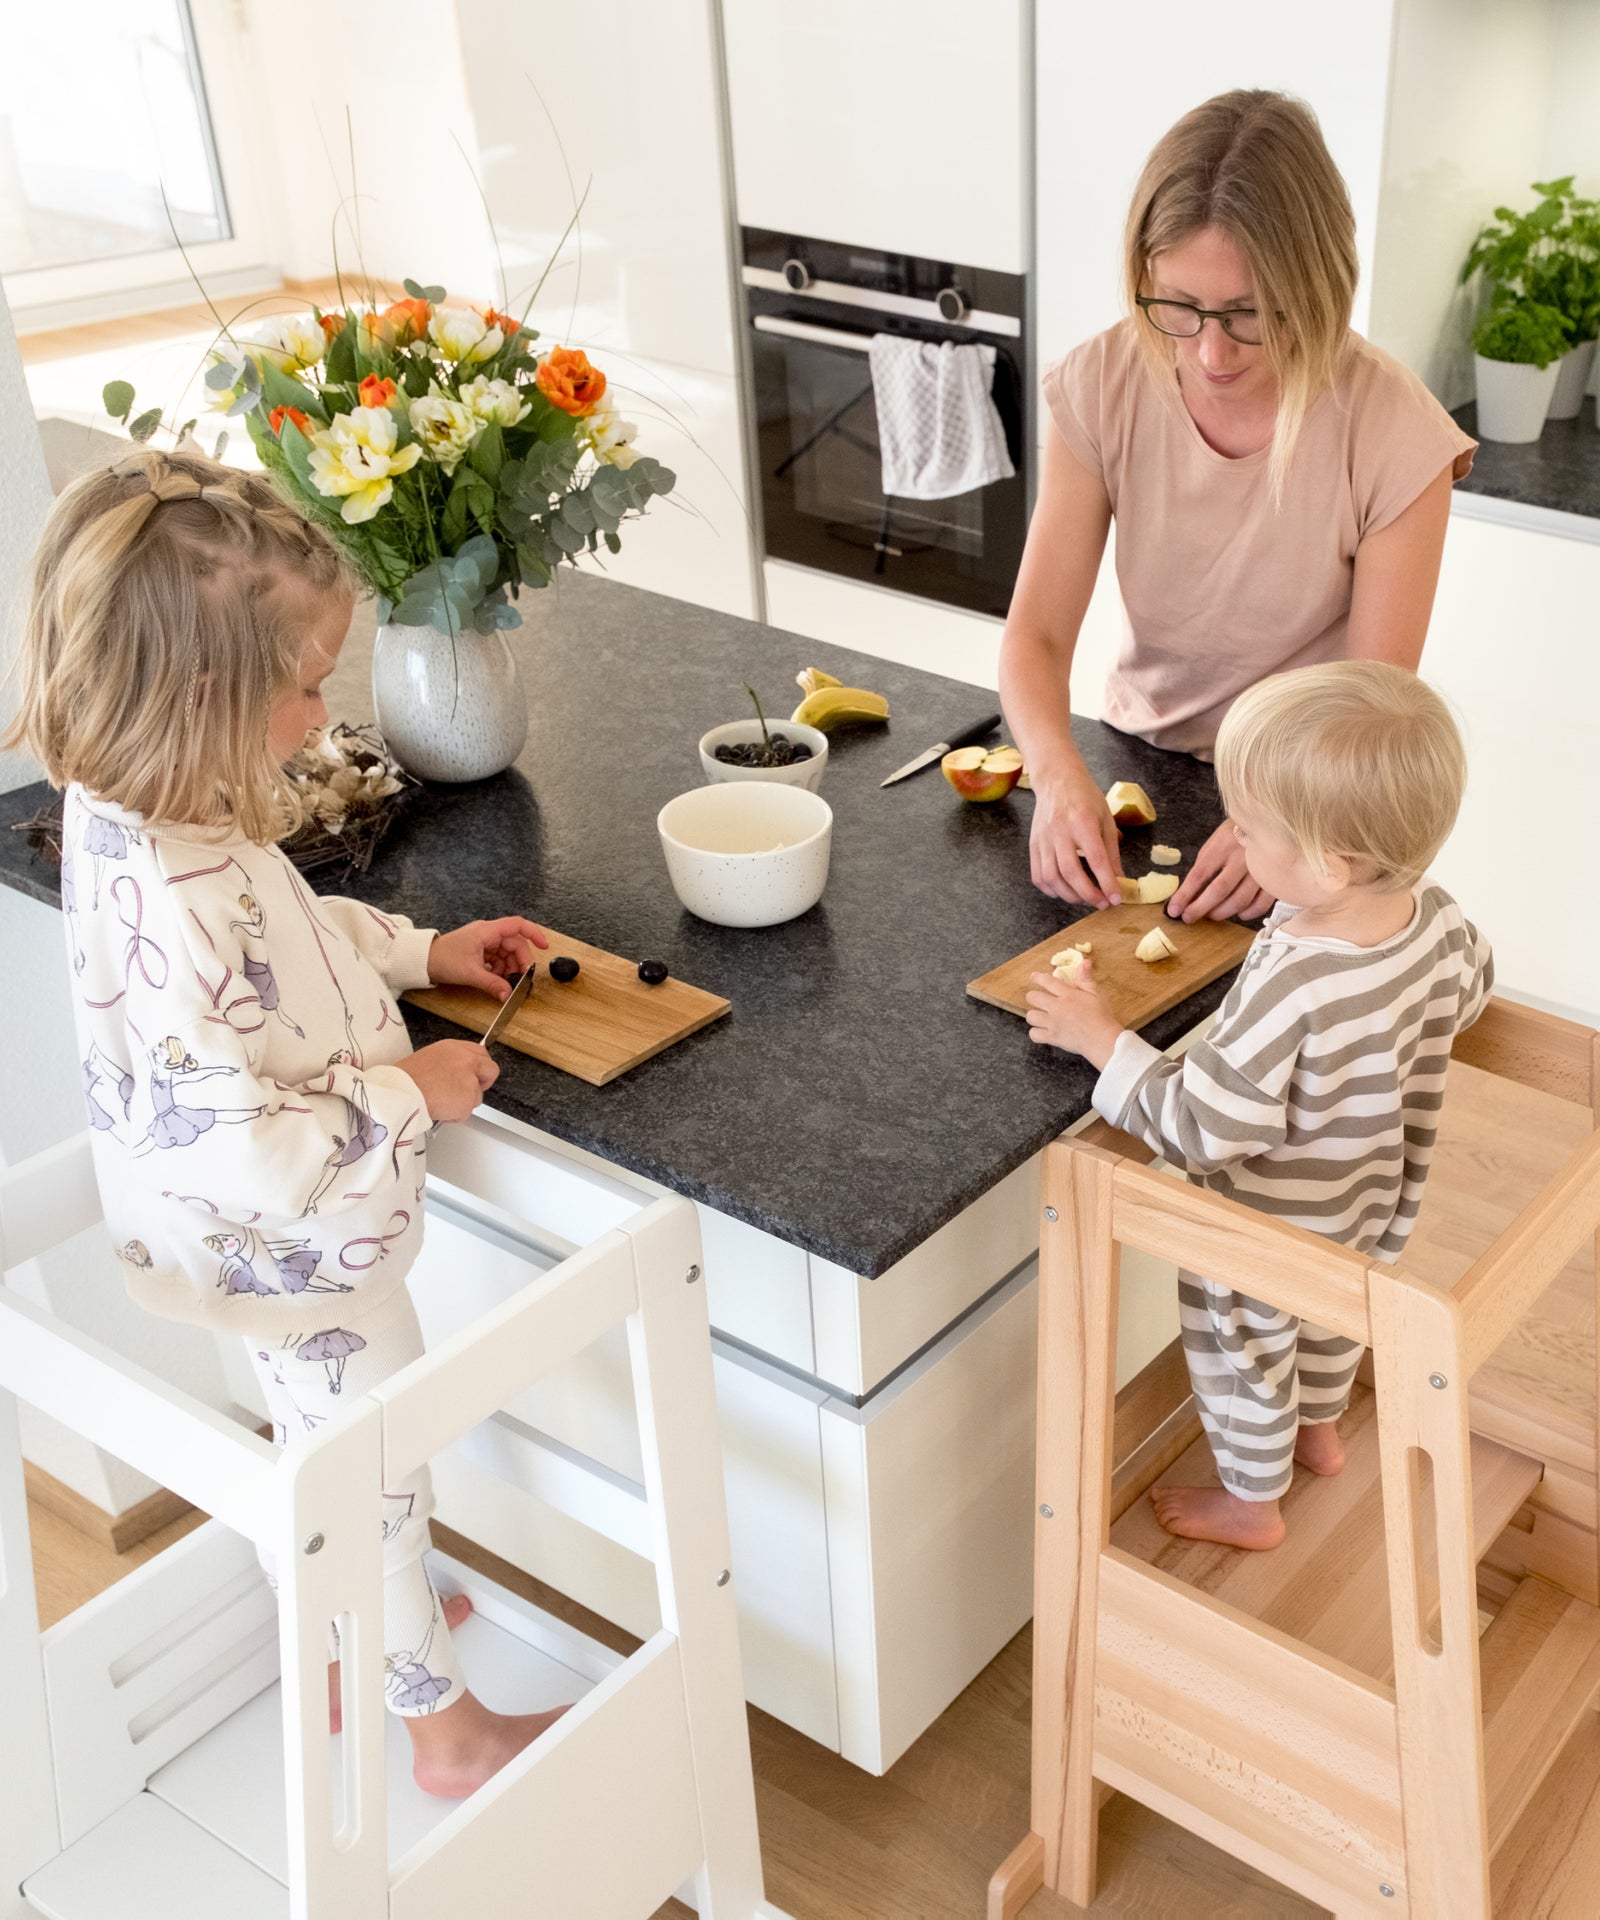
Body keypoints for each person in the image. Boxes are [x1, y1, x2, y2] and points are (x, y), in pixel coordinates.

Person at [4, 445, 558, 1796]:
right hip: (297, 1250)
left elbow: (291, 939)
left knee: (319, 1456)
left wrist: (426, 955)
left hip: (231, 1254)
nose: (325, 714)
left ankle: (348, 1641)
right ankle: (443, 1731)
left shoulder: (143, 821)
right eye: (308, 684)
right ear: (207, 698)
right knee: (370, 1476)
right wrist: (405, 1096)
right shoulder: (185, 882)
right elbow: (254, 1141)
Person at [1022, 662, 1491, 1550]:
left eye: (1249, 826)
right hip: (1366, 1194)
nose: (1232, 832)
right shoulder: (1433, 915)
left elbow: (1204, 1126)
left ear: (1331, 862)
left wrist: (1101, 1039)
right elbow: (1470, 991)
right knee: (1327, 1315)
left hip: (1268, 1217)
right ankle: (1318, 1435)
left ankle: (1252, 1502)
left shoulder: (1298, 979)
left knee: (1245, 1350)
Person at [1001, 90, 1476, 925]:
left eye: (1250, 314)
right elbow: (1035, 636)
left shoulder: (1399, 435)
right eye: (1178, 308)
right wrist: (1056, 774)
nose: (1210, 353)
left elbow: (1366, 709)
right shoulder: (1102, 383)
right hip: (1139, 759)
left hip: (1311, 811)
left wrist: (1279, 826)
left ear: (1316, 285)